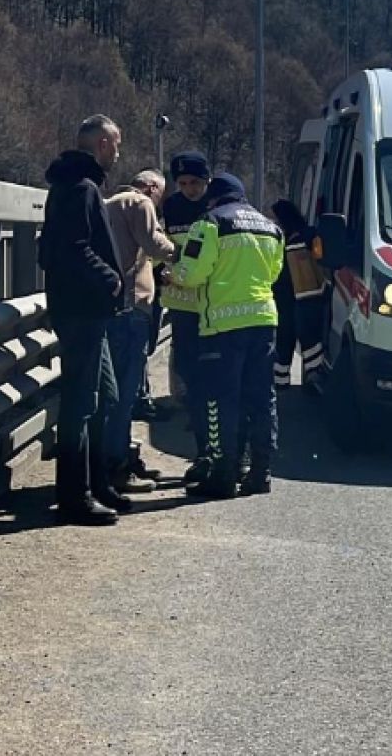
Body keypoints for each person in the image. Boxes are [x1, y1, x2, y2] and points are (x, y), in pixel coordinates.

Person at [172, 173, 285, 499]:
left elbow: (191, 274)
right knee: (262, 398)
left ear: (214, 198)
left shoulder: (210, 223)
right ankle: (260, 472)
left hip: (221, 327)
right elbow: (274, 273)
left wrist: (171, 274)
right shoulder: (271, 227)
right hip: (263, 321)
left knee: (220, 399)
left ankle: (223, 475)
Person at [38, 115, 126, 525]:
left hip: (83, 309)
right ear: (103, 143)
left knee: (103, 396)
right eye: (117, 144)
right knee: (81, 402)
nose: (119, 153)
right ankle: (76, 496)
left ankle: (98, 484)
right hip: (82, 310)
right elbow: (73, 248)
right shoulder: (80, 188)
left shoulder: (68, 186)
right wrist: (110, 279)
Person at [102, 169, 177, 492]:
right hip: (132, 309)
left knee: (116, 392)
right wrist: (185, 250)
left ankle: (122, 458)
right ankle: (118, 469)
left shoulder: (108, 204)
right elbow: (154, 244)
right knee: (126, 393)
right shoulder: (138, 202)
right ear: (151, 188)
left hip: (113, 307)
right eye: (160, 195)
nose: (159, 203)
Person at [160, 151, 212, 482]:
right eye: (182, 183)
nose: (189, 189)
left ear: (206, 180)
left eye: (195, 182)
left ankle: (207, 414)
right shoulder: (171, 206)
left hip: (210, 303)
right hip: (180, 301)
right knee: (187, 364)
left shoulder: (215, 208)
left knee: (209, 365)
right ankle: (196, 410)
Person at [270, 199, 327, 388]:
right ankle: (301, 379)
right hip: (301, 296)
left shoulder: (291, 237)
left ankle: (285, 381)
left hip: (296, 296)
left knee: (293, 338)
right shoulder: (306, 234)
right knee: (303, 337)